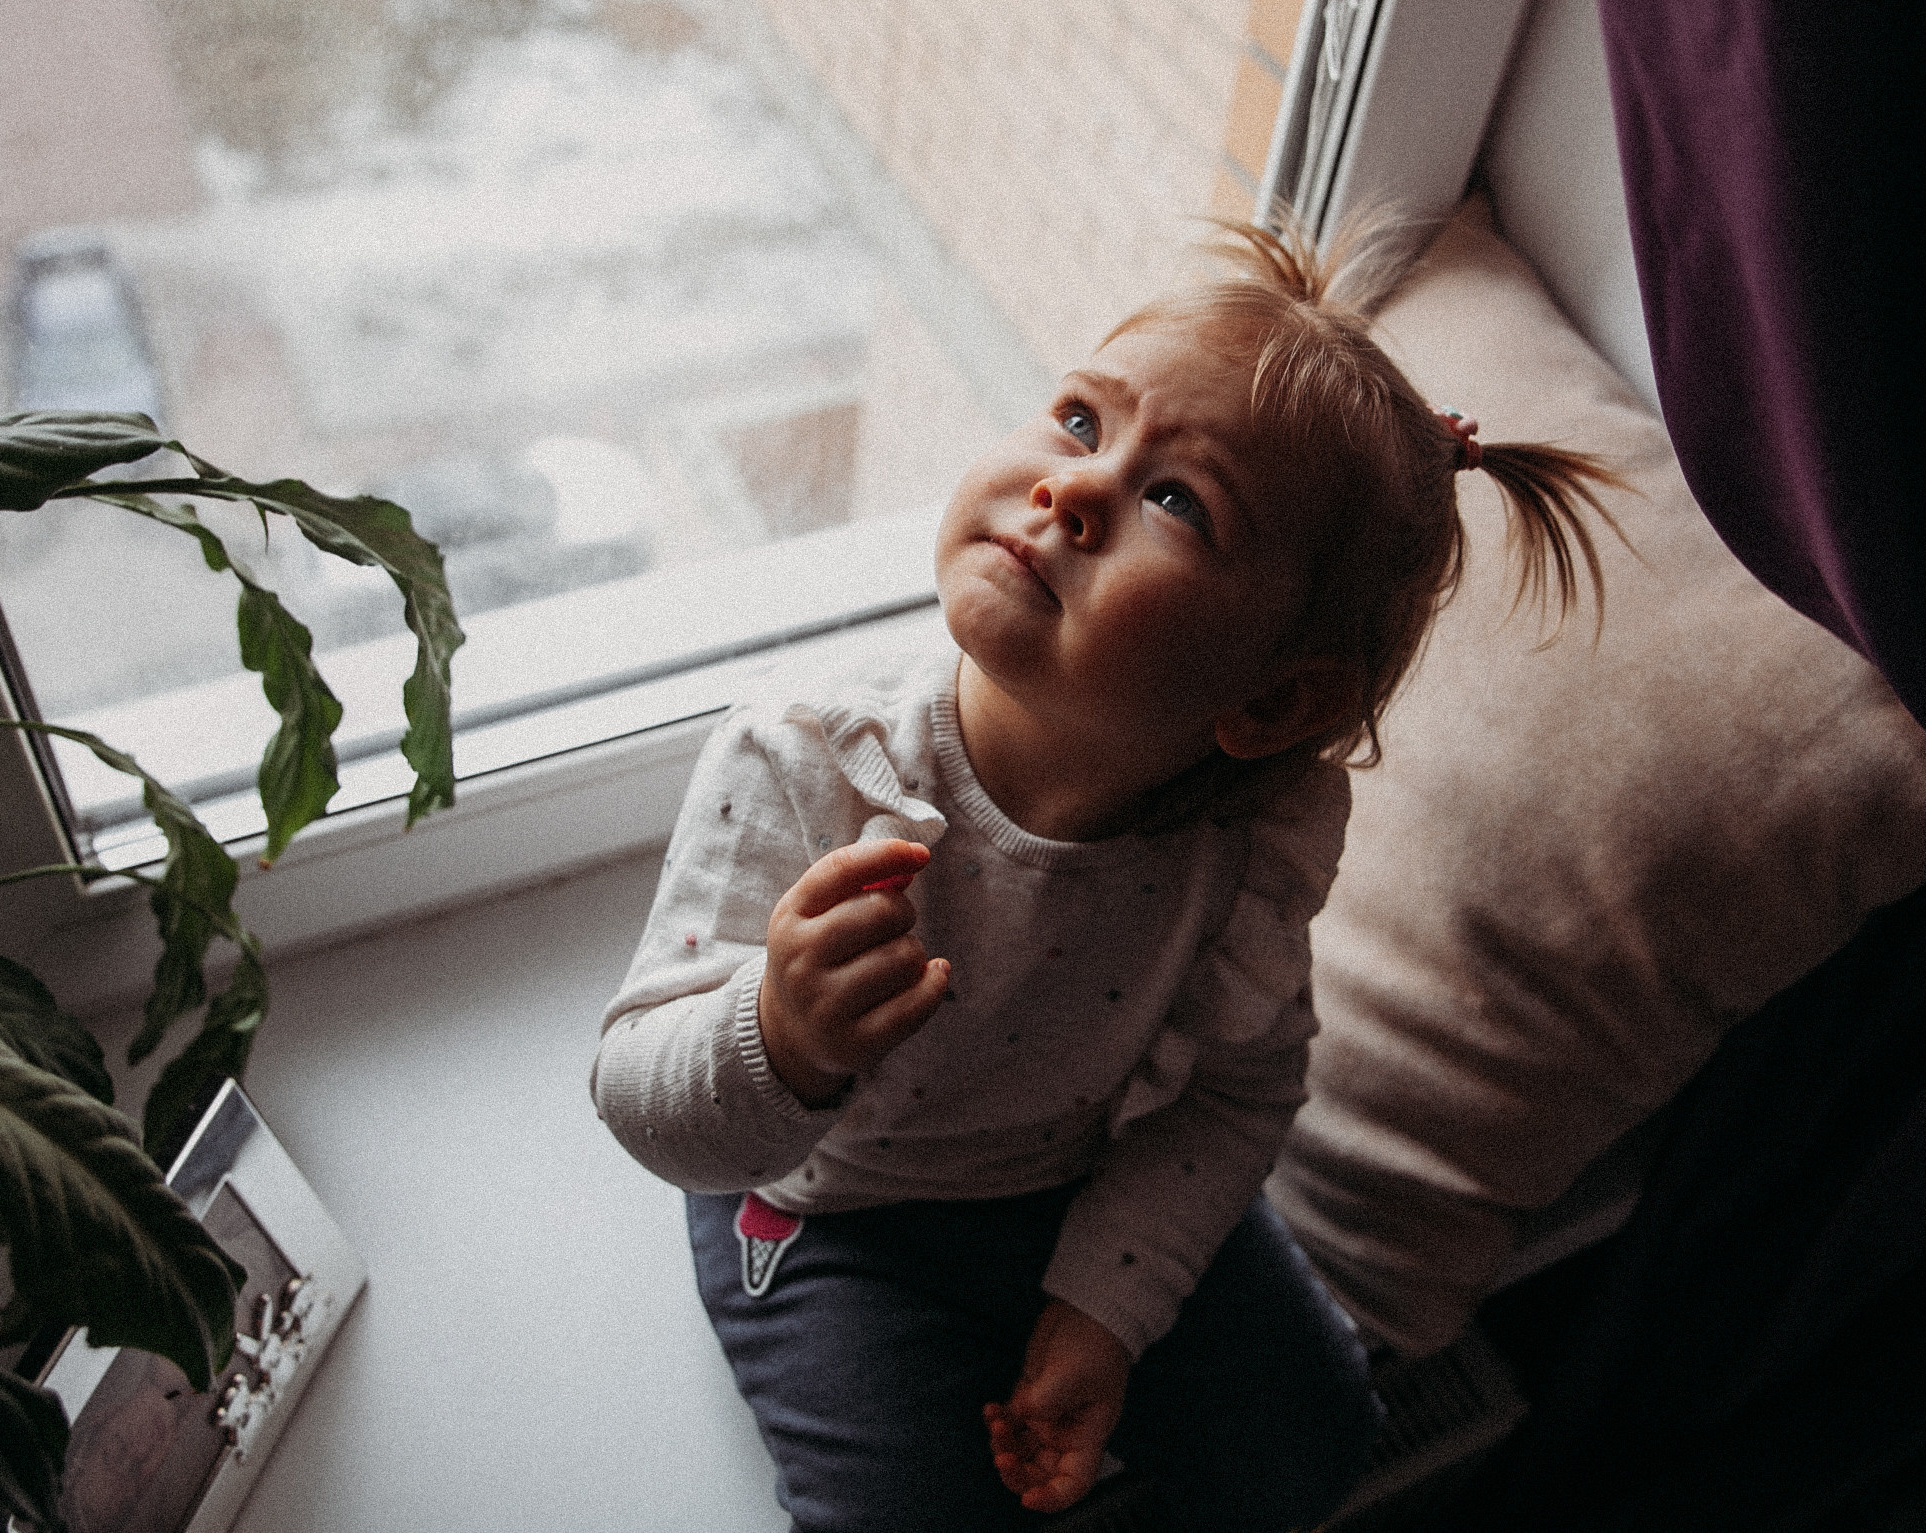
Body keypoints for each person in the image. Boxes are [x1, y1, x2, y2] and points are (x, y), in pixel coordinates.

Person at [593, 214, 1621, 1531]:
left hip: (1079, 1178)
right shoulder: (807, 758)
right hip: (827, 1206)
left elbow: (1240, 1091)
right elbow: (642, 1101)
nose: (1074, 487)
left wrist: (1103, 1310)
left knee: (1313, 1429)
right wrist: (778, 1034)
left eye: (1177, 501)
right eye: (1080, 422)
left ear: (1269, 700)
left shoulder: (1249, 845)